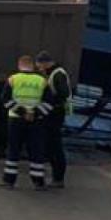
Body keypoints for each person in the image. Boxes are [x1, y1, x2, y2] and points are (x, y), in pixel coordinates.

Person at [0, 55, 54, 191]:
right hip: (36, 121)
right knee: (36, 150)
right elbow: (49, 103)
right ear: (33, 66)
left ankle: (9, 181)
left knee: (13, 150)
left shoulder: (13, 79)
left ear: (19, 65)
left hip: (15, 120)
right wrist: (34, 113)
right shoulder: (42, 81)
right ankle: (38, 182)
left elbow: (5, 99)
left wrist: (22, 112)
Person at [36, 50, 72, 189]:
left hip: (56, 114)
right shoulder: (55, 73)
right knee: (51, 145)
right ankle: (56, 177)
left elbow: (63, 93)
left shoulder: (57, 74)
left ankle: (58, 178)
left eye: (39, 66)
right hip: (55, 112)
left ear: (45, 63)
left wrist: (49, 102)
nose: (39, 69)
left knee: (55, 146)